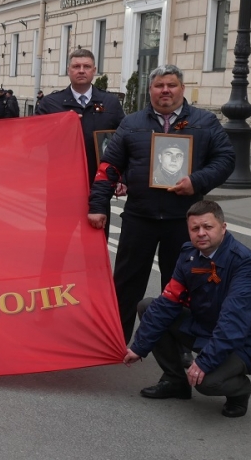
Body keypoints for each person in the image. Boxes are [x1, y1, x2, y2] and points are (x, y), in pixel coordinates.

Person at [88, 64, 235, 342]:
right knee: (126, 284)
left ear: (181, 88)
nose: (165, 90)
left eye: (171, 85)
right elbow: (109, 166)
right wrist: (97, 205)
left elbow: (226, 159)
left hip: (184, 220)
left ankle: (176, 346)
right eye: (159, 85)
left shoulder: (205, 122)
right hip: (139, 216)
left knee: (181, 285)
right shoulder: (132, 124)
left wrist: (197, 181)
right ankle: (115, 341)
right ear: (150, 90)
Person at [123, 200, 251, 418]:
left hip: (244, 343)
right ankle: (175, 381)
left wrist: (203, 362)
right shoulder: (188, 254)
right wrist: (139, 346)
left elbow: (234, 321)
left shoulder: (243, 263)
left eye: (208, 227)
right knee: (149, 307)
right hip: (205, 327)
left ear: (223, 227)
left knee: (207, 383)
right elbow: (168, 302)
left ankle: (240, 391)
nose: (201, 233)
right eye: (195, 229)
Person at [36, 48, 125, 186]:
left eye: (87, 66)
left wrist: (121, 177)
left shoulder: (110, 102)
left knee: (97, 209)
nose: (82, 70)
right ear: (68, 70)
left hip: (99, 181)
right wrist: (59, 125)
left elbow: (123, 141)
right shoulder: (50, 103)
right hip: (61, 179)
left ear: (94, 70)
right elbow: (36, 138)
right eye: (76, 66)